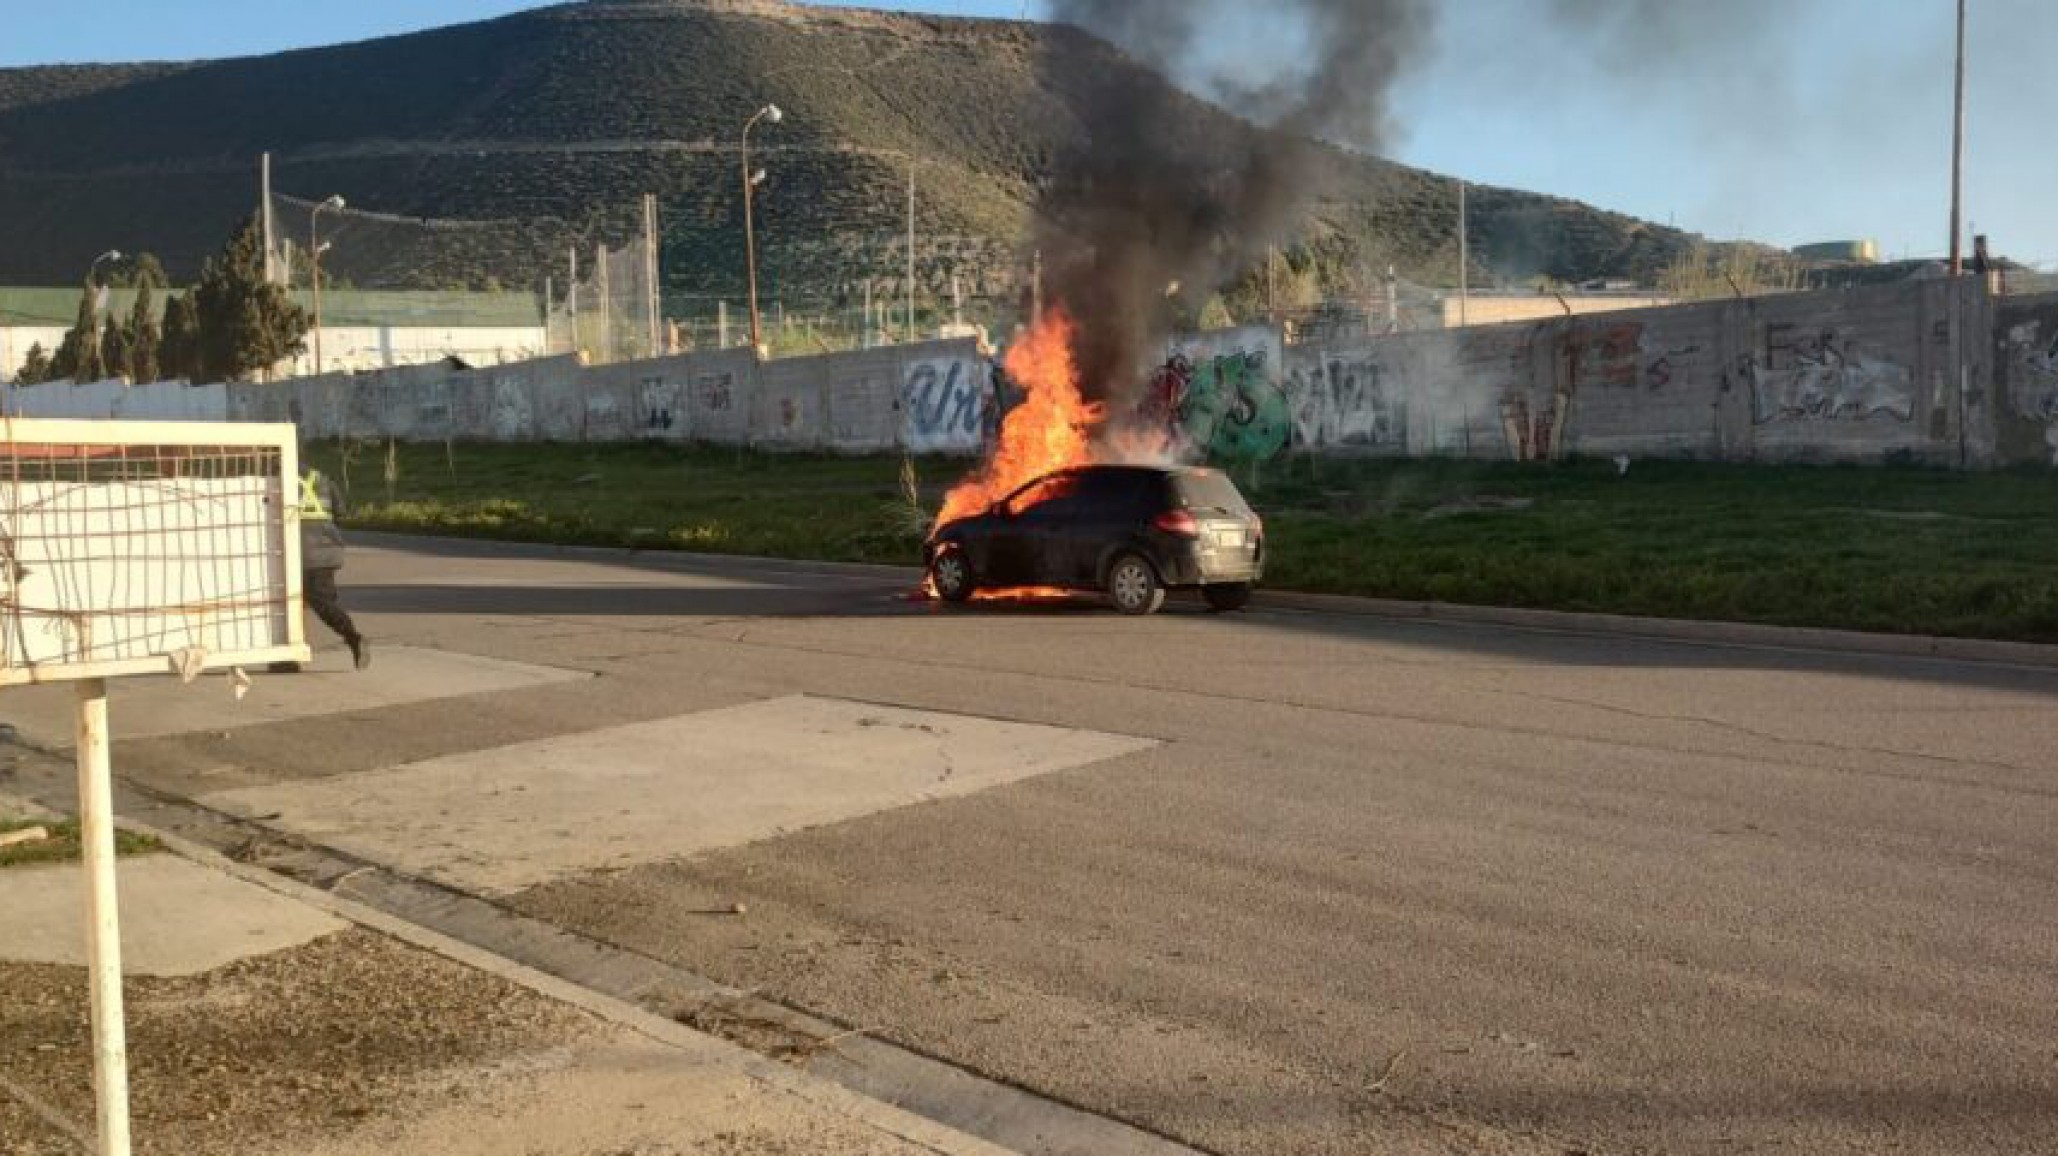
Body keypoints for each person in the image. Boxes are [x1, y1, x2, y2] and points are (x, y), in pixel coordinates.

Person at [293, 466, 370, 671]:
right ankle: (287, 656)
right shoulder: (324, 478)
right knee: (293, 604)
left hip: (307, 555)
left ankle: (354, 638)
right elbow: (341, 513)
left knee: (318, 601)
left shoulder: (282, 480)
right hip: (327, 549)